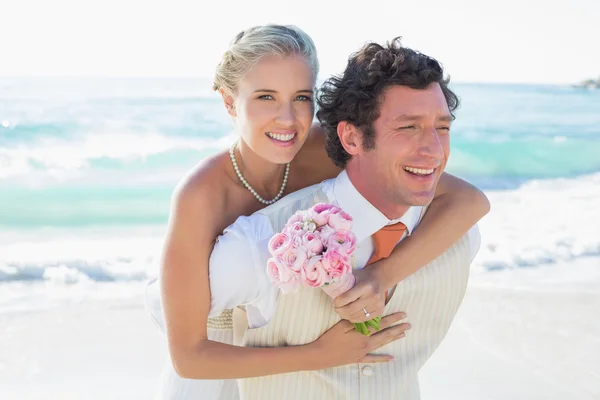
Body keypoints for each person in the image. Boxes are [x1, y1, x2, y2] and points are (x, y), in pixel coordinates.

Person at [145, 25, 489, 400]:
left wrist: (381, 275)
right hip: (212, 361)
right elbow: (189, 357)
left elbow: (468, 201)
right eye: (265, 97)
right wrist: (318, 355)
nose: (288, 119)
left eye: (301, 97)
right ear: (229, 102)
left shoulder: (324, 148)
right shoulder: (202, 195)